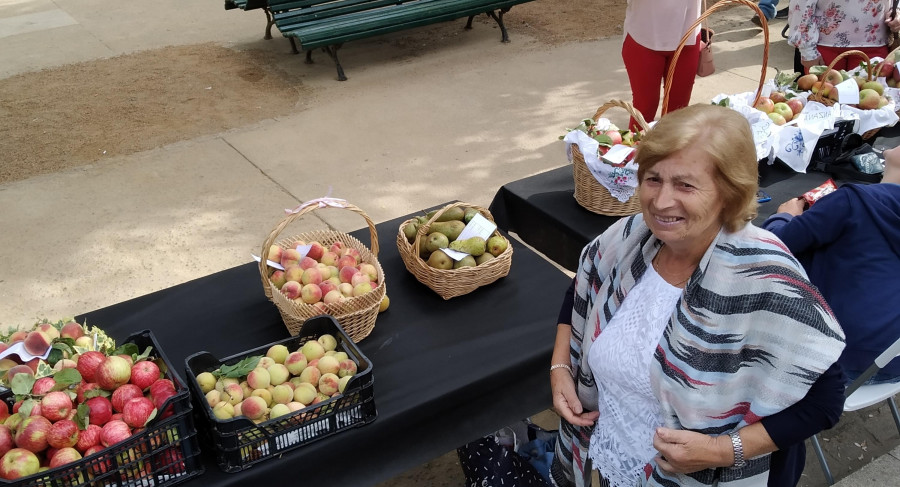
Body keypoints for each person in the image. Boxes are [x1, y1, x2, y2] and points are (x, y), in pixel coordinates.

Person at [549, 104, 847, 487]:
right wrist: (560, 371)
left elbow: (825, 399)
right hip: (610, 457)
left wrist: (723, 451)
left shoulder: (765, 277)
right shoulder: (628, 238)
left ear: (729, 192)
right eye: (653, 179)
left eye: (685, 185)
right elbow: (579, 292)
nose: (660, 201)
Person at [762, 148, 900, 384]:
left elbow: (773, 247)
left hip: (831, 360)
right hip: (891, 364)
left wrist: (784, 216)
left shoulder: (854, 201)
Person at [622, 0, 703, 130]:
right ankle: (637, 150)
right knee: (644, 111)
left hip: (687, 37)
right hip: (643, 39)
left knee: (678, 114)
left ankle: (670, 150)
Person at [788, 0, 900, 73]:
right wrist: (807, 51)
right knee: (823, 103)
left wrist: (898, 11)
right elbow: (801, 4)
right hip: (824, 48)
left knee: (874, 106)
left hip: (875, 46)